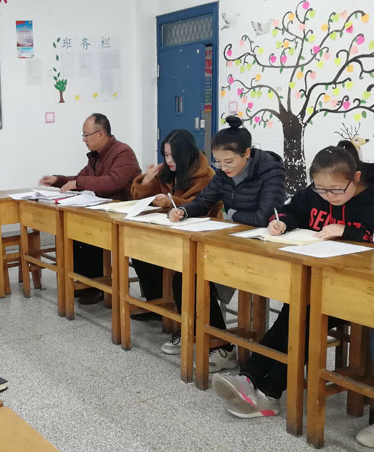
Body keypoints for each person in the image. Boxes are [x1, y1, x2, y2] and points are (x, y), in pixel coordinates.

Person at [212, 146, 374, 424]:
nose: (328, 196)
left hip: (357, 291)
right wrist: (282, 223)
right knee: (295, 313)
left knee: (304, 320)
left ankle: (263, 387)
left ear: (356, 177)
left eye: (336, 190)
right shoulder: (314, 194)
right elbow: (293, 211)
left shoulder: (369, 200)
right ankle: (254, 383)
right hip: (315, 281)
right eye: (321, 189)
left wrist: (347, 231)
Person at [169, 116, 287, 372]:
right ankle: (219, 342)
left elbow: (264, 217)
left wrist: (231, 213)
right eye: (218, 162)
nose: (223, 168)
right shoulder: (223, 174)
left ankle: (220, 344)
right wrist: (184, 211)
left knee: (202, 278)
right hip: (233, 241)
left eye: (229, 162)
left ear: (247, 153)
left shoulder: (271, 172)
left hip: (263, 248)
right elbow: (206, 200)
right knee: (185, 276)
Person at [129, 129, 222, 353]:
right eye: (165, 155)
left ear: (185, 154)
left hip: (200, 236)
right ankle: (157, 305)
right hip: (167, 233)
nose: (169, 160)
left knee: (184, 276)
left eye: (173, 156)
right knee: (140, 253)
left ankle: (188, 325)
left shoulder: (205, 175)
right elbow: (139, 197)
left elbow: (201, 206)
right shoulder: (166, 172)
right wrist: (146, 180)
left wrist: (171, 202)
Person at [38, 113, 141, 304]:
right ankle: (86, 283)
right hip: (105, 210)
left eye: (86, 135)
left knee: (89, 233)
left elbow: (113, 182)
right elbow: (82, 177)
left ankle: (96, 286)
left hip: (125, 212)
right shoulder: (96, 156)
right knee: (77, 231)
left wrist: (79, 182)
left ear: (100, 134)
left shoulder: (123, 152)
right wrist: (58, 180)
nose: (84, 140)